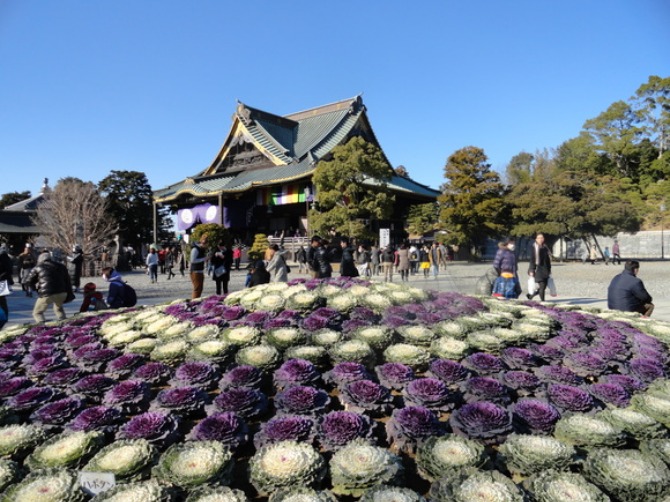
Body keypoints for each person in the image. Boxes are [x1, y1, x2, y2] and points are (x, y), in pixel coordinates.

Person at [28, 250, 72, 323]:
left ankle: (42, 327)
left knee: (37, 312)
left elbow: (29, 281)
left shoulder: (38, 267)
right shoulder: (61, 266)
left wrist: (35, 289)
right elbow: (67, 280)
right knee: (58, 309)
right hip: (62, 292)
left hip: (46, 294)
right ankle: (64, 323)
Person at [527, 233, 552, 301]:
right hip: (538, 269)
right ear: (536, 239)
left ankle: (531, 295)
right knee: (542, 286)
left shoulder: (545, 247)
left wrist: (549, 270)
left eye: (542, 238)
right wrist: (531, 270)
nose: (541, 239)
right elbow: (532, 259)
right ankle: (543, 301)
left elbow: (548, 260)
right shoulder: (534, 248)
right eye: (539, 238)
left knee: (544, 287)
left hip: (545, 269)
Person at [0, 244, 14, 329]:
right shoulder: (5, 257)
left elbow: (6, 270)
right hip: (3, 280)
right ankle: (4, 318)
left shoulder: (2, 257)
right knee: (2, 301)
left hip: (1, 281)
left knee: (1, 301)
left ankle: (3, 319)